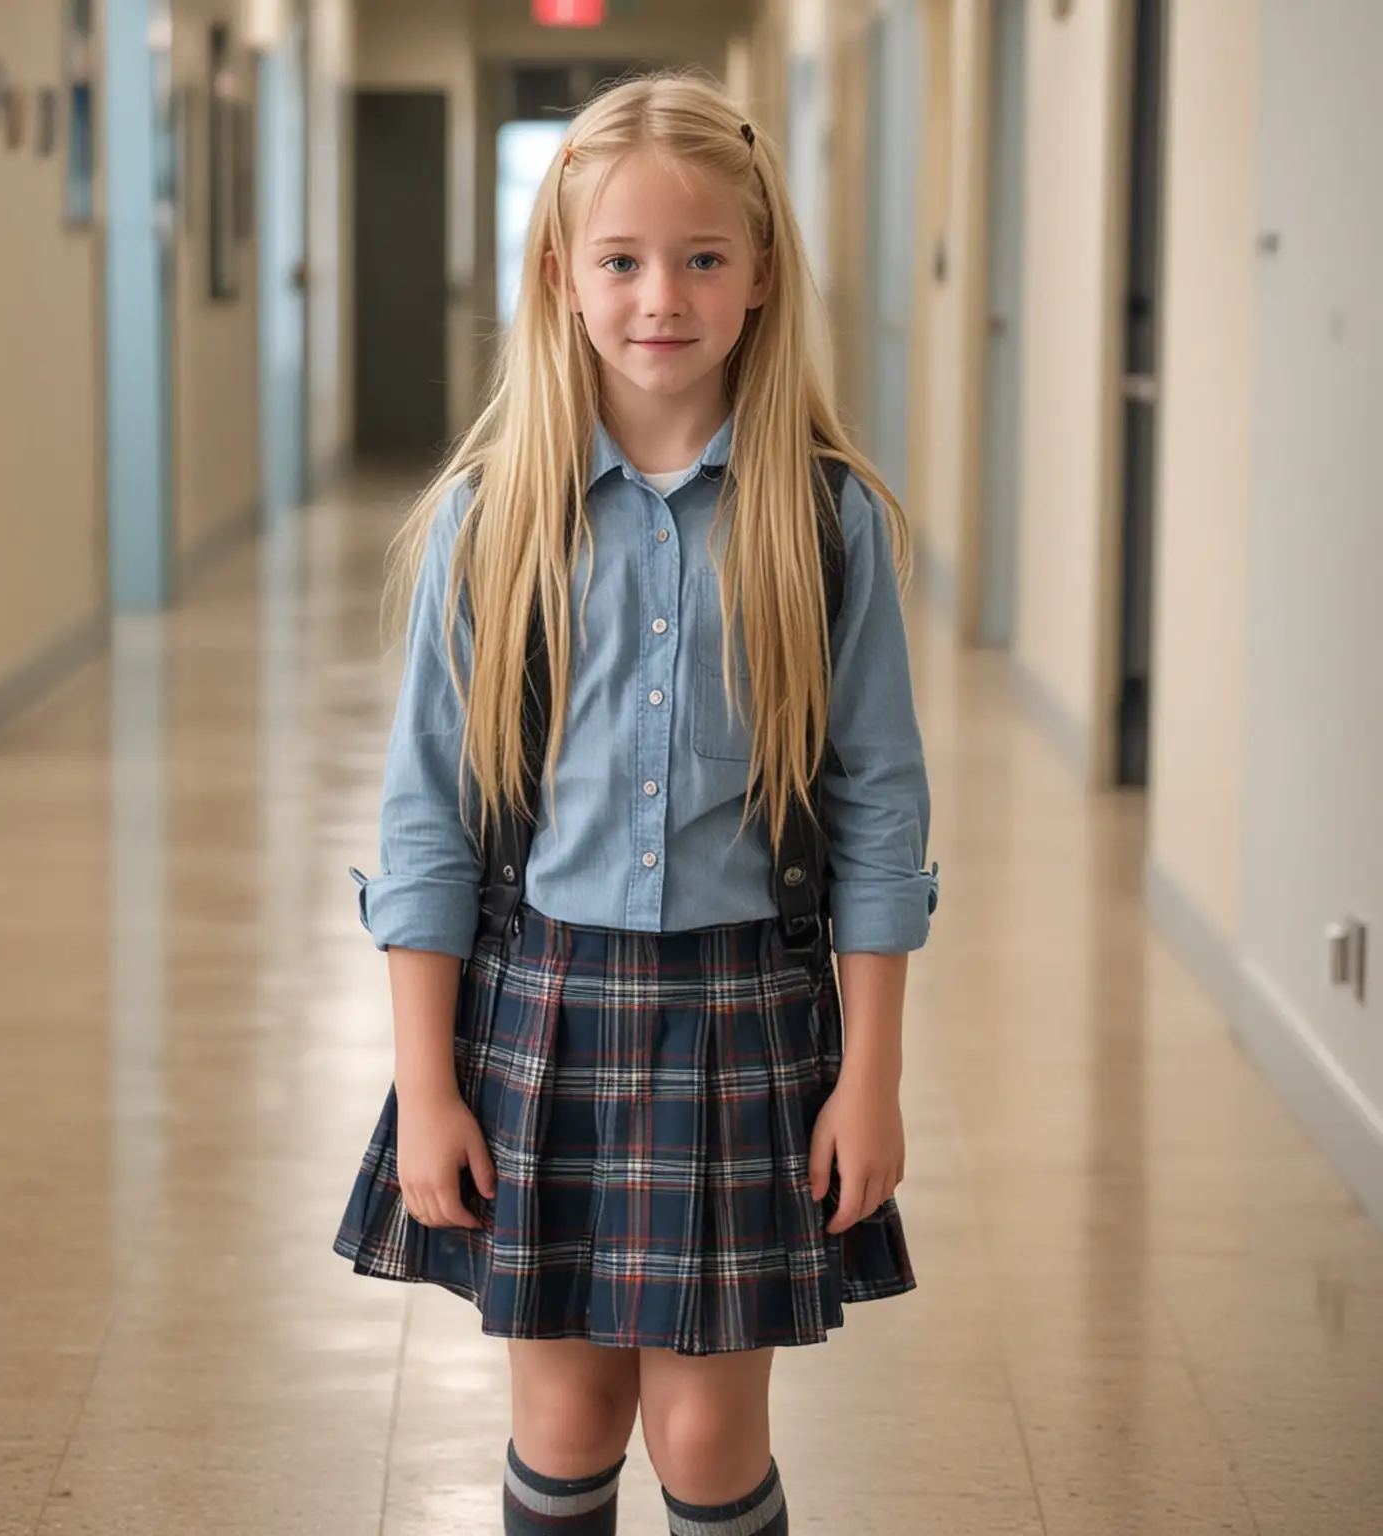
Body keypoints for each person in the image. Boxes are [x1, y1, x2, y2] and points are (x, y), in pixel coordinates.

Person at [336, 71, 938, 1536]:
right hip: (542, 1012)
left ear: (760, 275)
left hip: (746, 1020)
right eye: (620, 259)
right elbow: (425, 825)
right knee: (568, 1410)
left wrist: (873, 1077)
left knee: (708, 1435)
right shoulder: (494, 521)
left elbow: (876, 819)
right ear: (561, 276)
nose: (660, 295)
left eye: (702, 257)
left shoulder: (826, 519)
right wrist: (428, 1089)